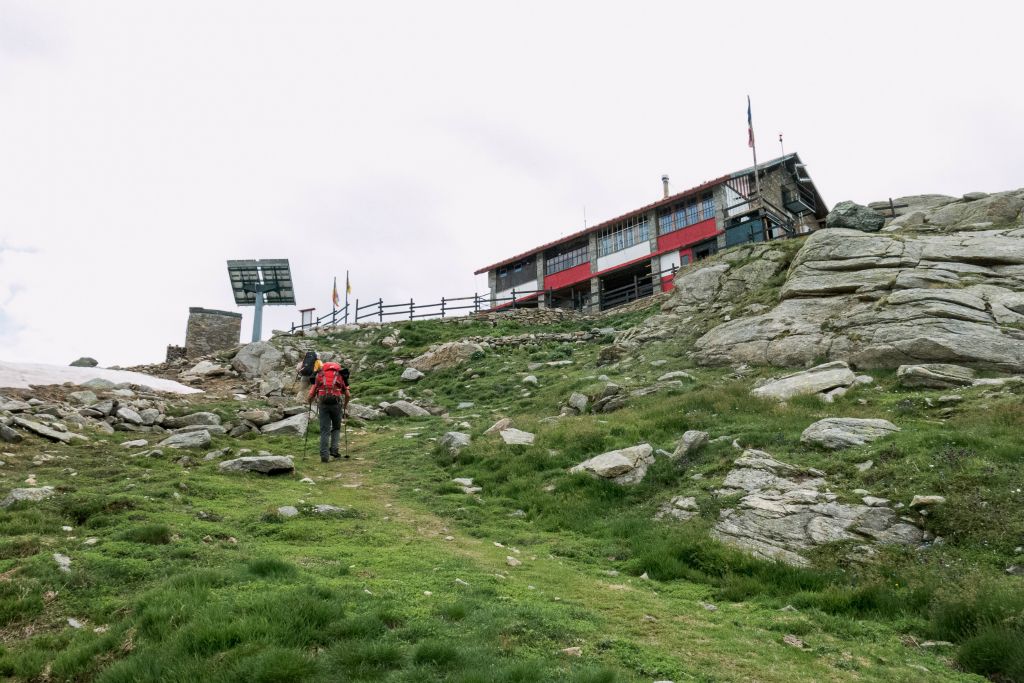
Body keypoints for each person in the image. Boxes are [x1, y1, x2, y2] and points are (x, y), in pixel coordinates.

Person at [307, 361, 350, 462]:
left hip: (323, 404)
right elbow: (348, 395)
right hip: (336, 405)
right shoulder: (340, 375)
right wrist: (344, 406)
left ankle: (324, 456)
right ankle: (334, 451)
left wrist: (309, 403)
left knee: (324, 430)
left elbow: (310, 395)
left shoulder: (319, 375)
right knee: (336, 427)